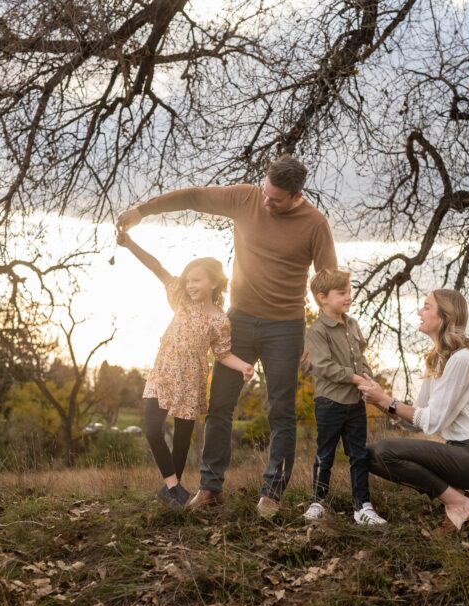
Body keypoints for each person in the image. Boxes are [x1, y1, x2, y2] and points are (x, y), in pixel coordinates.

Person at [116, 156, 337, 517]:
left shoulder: (315, 224)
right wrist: (143, 211)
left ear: (297, 195)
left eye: (276, 199)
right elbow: (193, 196)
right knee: (219, 407)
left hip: (286, 327)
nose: (267, 202)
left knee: (281, 411)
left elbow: (328, 279)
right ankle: (210, 487)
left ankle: (272, 492)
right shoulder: (246, 198)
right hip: (240, 322)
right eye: (266, 192)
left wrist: (321, 335)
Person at [117, 228, 254, 509]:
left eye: (196, 280)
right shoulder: (179, 299)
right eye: (188, 279)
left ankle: (172, 495)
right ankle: (174, 487)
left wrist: (244, 366)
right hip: (164, 372)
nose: (190, 285)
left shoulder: (220, 320)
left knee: (181, 440)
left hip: (192, 378)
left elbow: (223, 353)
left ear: (213, 283)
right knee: (153, 430)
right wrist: (130, 244)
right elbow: (157, 266)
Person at [358, 289, 469, 535]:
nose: (420, 312)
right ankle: (461, 501)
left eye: (426, 307)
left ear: (444, 317)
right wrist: (379, 401)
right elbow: (417, 421)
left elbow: (432, 421)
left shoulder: (464, 359)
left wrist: (387, 400)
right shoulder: (439, 361)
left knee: (385, 451)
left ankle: (457, 503)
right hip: (457, 452)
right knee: (366, 455)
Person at [303, 269, 387, 525]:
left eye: (349, 291)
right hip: (329, 402)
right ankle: (318, 502)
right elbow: (323, 366)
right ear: (323, 298)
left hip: (355, 404)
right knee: (325, 454)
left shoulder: (352, 325)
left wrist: (368, 378)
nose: (349, 296)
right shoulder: (317, 331)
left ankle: (363, 506)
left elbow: (361, 360)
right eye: (342, 293)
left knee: (358, 455)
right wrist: (356, 378)